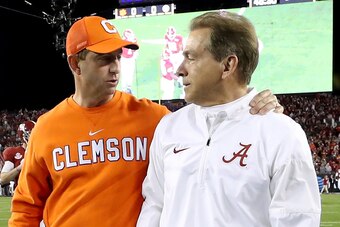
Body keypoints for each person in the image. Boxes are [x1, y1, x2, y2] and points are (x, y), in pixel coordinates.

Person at [9, 15, 283, 226]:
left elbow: (213, 126)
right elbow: (25, 207)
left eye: (118, 57)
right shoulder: (47, 128)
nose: (115, 67)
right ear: (75, 64)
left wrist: (253, 105)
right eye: (104, 59)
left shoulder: (156, 119)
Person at [137, 11, 321, 227]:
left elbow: (297, 220)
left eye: (191, 57)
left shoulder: (281, 133)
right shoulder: (169, 127)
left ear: (227, 65)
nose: (179, 70)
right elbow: (155, 206)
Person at [0, 120, 35, 193]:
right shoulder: (14, 152)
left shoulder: (44, 150)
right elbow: (2, 179)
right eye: (32, 133)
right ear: (24, 135)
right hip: (23, 197)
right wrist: (20, 167)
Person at [120, 28, 139, 94]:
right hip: (124, 58)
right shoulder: (122, 40)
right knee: (124, 74)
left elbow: (136, 49)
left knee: (130, 73)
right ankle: (123, 89)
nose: (127, 34)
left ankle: (129, 88)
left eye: (129, 33)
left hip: (131, 59)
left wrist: (135, 56)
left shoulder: (133, 39)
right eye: (126, 33)